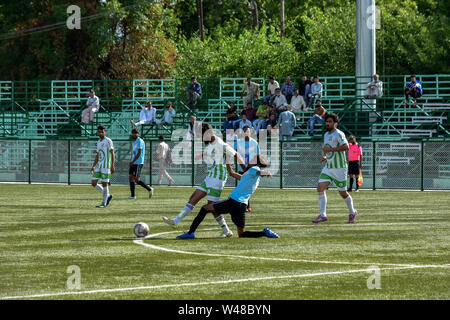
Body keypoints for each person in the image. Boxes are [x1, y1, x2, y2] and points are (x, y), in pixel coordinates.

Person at [162, 123, 245, 238]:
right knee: (193, 198)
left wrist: (245, 171)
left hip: (218, 177)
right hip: (210, 176)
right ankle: (175, 221)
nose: (201, 137)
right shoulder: (211, 143)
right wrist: (201, 155)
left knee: (212, 207)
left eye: (201, 135)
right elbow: (210, 152)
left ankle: (226, 231)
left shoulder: (220, 143)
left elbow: (236, 154)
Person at [176, 155, 279, 239]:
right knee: (241, 234)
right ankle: (264, 233)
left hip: (234, 202)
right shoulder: (249, 176)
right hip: (242, 206)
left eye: (252, 159)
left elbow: (259, 172)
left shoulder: (254, 169)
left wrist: (266, 173)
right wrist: (228, 161)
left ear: (256, 162)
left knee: (204, 208)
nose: (250, 160)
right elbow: (232, 173)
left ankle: (190, 233)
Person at [312, 113, 358, 224]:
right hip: (328, 167)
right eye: (326, 121)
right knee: (320, 188)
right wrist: (326, 156)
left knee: (343, 193)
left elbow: (346, 147)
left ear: (335, 123)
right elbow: (329, 149)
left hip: (340, 168)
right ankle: (323, 214)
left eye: (330, 122)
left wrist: (330, 151)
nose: (327, 123)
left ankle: (352, 212)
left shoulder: (339, 134)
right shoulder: (326, 135)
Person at [233, 125, 261, 212]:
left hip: (251, 168)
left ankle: (245, 206)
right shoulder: (238, 142)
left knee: (247, 187)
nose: (246, 133)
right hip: (242, 167)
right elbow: (234, 153)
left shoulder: (254, 142)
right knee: (242, 187)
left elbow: (258, 156)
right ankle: (245, 206)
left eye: (248, 131)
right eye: (245, 131)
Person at [90, 126, 114, 208]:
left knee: (104, 184)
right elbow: (97, 154)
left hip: (106, 166)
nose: (100, 133)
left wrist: (112, 165)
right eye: (99, 132)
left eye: (102, 132)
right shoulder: (98, 142)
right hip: (99, 165)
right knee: (93, 183)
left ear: (105, 132)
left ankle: (104, 203)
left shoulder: (108, 141)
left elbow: (112, 153)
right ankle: (107, 195)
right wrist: (93, 166)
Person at [128, 129, 154, 199]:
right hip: (133, 162)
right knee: (131, 178)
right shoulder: (135, 142)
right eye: (133, 133)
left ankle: (149, 189)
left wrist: (133, 161)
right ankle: (133, 196)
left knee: (136, 179)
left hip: (138, 162)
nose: (134, 134)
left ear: (138, 134)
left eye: (135, 133)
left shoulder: (140, 141)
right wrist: (131, 161)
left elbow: (139, 153)